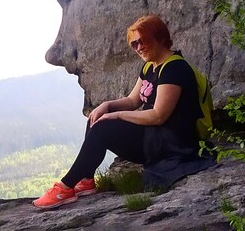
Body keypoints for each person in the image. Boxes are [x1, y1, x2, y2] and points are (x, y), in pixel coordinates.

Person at [33, 14, 214, 209]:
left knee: (104, 127)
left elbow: (158, 115)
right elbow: (133, 100)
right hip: (155, 137)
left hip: (173, 144)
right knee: (97, 118)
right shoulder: (150, 67)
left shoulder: (175, 68)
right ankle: (85, 181)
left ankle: (65, 187)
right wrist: (107, 106)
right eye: (134, 44)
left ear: (160, 37)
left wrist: (116, 115)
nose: (139, 47)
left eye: (143, 41)